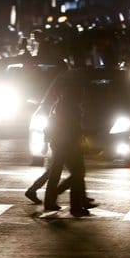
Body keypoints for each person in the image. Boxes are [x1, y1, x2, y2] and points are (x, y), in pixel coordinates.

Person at [41, 78, 91, 217]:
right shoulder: (71, 108)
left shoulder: (60, 106)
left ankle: (52, 199)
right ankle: (74, 205)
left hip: (60, 143)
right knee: (77, 173)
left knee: (57, 172)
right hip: (68, 144)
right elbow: (73, 128)